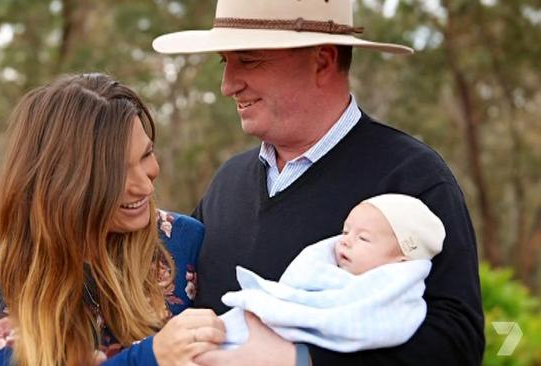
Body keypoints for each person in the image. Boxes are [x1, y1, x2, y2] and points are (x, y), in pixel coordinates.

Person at [152, 0, 484, 365]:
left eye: (248, 60)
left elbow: (456, 341)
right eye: (224, 62)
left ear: (323, 61)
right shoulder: (226, 184)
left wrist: (301, 359)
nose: (227, 84)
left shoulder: (412, 177)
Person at [0, 73, 225, 366]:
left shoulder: (185, 242)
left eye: (146, 154)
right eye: (115, 173)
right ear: (63, 182)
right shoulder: (0, 260)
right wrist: (150, 357)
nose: (145, 186)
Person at [220, 194, 445, 352]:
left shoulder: (391, 299)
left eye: (363, 238)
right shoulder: (322, 272)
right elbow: (297, 296)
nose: (345, 241)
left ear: (400, 262)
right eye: (345, 231)